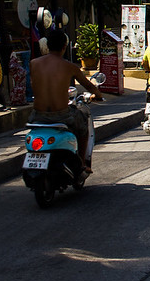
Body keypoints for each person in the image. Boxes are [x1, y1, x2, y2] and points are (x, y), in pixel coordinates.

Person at [29, 29, 103, 173]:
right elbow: (88, 85)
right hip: (61, 115)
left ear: (47, 46)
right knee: (83, 125)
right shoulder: (70, 67)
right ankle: (81, 163)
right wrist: (98, 95)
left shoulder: (34, 63)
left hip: (37, 115)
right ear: (64, 47)